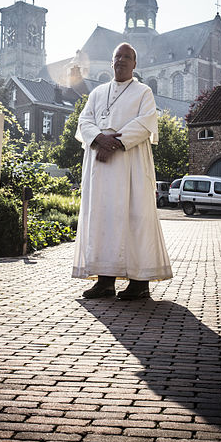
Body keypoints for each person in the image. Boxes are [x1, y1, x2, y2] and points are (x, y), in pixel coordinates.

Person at [72, 42, 173, 300]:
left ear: (134, 64)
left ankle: (140, 283)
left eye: (127, 57)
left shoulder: (143, 92)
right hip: (100, 165)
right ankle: (105, 281)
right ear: (111, 61)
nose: (121, 60)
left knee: (134, 216)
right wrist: (98, 139)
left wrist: (114, 143)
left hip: (130, 164)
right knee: (102, 219)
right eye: (117, 56)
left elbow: (146, 122)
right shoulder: (97, 93)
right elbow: (85, 120)